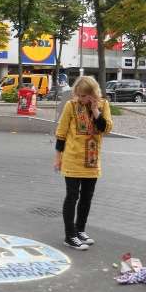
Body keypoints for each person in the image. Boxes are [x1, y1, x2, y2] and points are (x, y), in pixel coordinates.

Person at [54, 76, 113, 250]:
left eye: (84, 96)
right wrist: (57, 159)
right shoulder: (71, 106)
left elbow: (105, 128)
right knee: (72, 197)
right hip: (72, 159)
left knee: (87, 197)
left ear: (93, 94)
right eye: (79, 95)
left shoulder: (103, 106)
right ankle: (69, 235)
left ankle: (80, 230)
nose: (81, 99)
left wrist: (95, 110)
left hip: (92, 161)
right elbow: (61, 134)